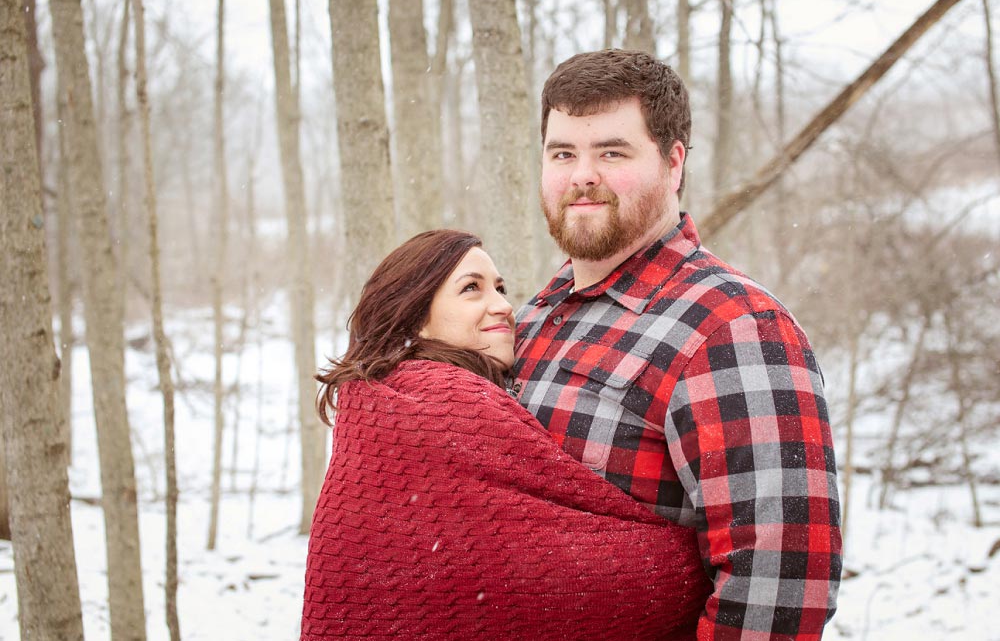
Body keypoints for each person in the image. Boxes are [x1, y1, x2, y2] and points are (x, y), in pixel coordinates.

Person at [512, 49, 842, 640]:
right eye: (563, 153)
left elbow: (779, 587)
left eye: (612, 152)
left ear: (674, 162)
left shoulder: (734, 328)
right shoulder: (531, 317)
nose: (582, 174)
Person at [301, 229, 712, 640]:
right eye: (471, 289)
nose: (503, 306)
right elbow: (554, 576)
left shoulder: (380, 394)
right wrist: (692, 566)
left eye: (500, 288)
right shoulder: (440, 405)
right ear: (415, 315)